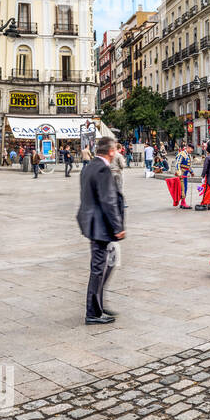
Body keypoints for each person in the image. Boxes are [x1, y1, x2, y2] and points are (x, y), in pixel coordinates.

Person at [77, 136, 125, 325]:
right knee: (98, 269)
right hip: (100, 225)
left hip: (90, 223)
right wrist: (118, 226)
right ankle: (93, 313)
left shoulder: (89, 166)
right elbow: (108, 200)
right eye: (114, 150)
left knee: (103, 266)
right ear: (111, 151)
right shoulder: (103, 169)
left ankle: (97, 305)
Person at [176, 145, 193, 209]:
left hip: (185, 174)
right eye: (191, 149)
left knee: (185, 187)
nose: (192, 150)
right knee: (183, 188)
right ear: (188, 148)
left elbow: (188, 165)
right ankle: (183, 203)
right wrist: (179, 173)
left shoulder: (188, 155)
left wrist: (191, 171)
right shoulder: (182, 154)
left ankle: (183, 202)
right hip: (182, 174)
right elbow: (177, 164)